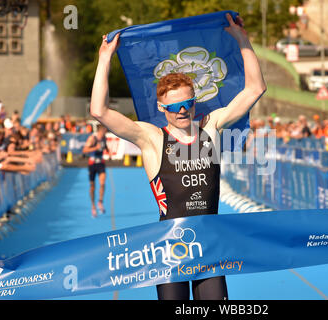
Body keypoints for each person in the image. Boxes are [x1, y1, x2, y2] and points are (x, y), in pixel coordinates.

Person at [90, 13, 266, 300]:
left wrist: (242, 39)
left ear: (195, 102)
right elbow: (99, 111)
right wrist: (105, 58)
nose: (182, 111)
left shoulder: (213, 125)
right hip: (170, 248)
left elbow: (256, 89)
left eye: (188, 103)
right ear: (162, 108)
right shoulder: (152, 138)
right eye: (174, 107)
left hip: (209, 244)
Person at [82, 124, 108, 218]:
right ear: (101, 130)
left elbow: (105, 147)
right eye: (105, 130)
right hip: (92, 164)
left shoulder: (104, 138)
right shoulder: (92, 138)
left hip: (101, 163)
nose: (106, 131)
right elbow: (84, 150)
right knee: (92, 186)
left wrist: (107, 150)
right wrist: (95, 148)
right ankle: (93, 206)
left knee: (102, 183)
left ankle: (100, 202)